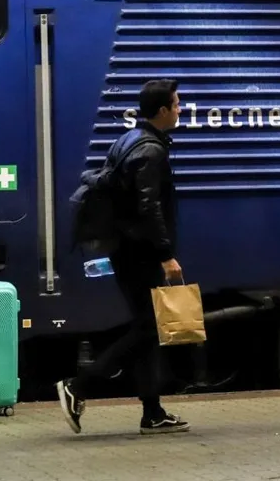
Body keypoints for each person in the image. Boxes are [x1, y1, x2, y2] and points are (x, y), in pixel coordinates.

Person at [56, 79, 190, 435]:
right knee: (148, 327)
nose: (180, 110)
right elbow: (149, 207)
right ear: (162, 111)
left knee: (147, 328)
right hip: (139, 251)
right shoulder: (151, 151)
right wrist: (166, 255)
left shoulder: (128, 140)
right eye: (177, 105)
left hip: (126, 248)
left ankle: (153, 412)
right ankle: (78, 386)